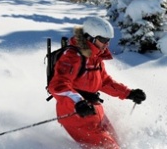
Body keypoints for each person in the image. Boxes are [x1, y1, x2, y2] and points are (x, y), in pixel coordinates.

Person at [48, 16, 146, 149]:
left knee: (120, 143)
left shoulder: (95, 57)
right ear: (90, 38)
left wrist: (128, 93)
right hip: (77, 115)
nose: (107, 44)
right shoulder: (72, 56)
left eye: (108, 40)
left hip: (94, 111)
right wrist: (78, 103)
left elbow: (104, 81)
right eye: (103, 40)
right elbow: (58, 86)